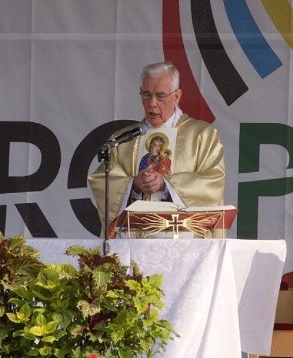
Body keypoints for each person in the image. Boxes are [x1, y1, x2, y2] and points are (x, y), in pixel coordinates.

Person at [88, 61, 225, 235]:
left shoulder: (202, 135)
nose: (152, 103)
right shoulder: (123, 140)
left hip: (184, 239)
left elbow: (213, 182)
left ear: (177, 96)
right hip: (134, 239)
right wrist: (133, 185)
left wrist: (167, 183)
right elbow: (103, 183)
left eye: (160, 96)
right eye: (146, 94)